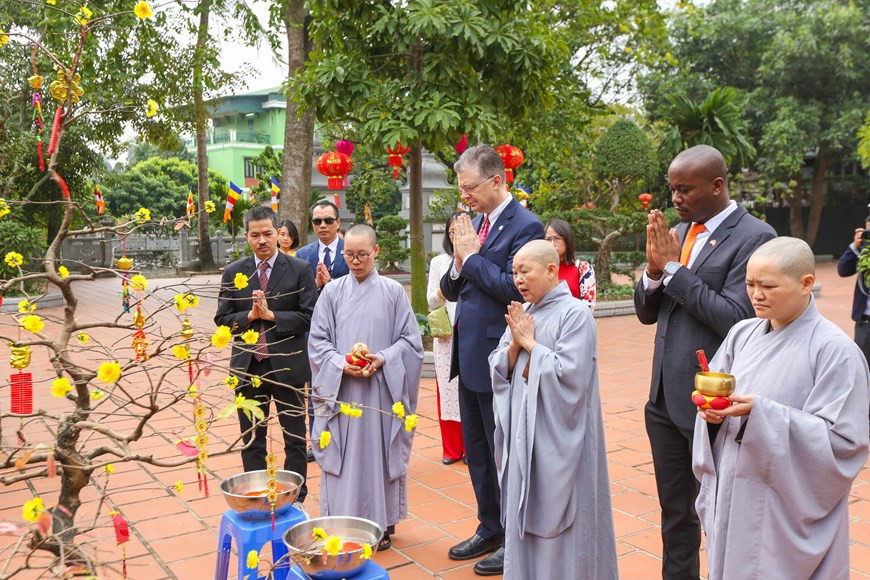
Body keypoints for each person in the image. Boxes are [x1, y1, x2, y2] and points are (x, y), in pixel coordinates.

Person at [634, 144, 776, 579]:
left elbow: (736, 317)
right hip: (663, 397)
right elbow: (646, 312)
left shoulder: (755, 236)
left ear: (717, 185)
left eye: (684, 189)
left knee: (720, 509)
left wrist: (675, 269)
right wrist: (655, 271)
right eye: (672, 189)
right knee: (675, 512)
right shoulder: (680, 231)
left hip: (710, 401)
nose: (675, 198)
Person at [693, 237, 870, 579]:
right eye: (749, 284)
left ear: (807, 283)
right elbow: (718, 395)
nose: (756, 295)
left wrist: (761, 416)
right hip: (733, 485)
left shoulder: (835, 351)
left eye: (768, 286)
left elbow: (844, 446)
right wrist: (713, 416)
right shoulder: (741, 334)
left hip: (784, 506)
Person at [440, 144, 544, 576]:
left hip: (502, 352)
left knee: (505, 449)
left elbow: (514, 287)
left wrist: (471, 257)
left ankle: (515, 534)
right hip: (467, 352)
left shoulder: (526, 225)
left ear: (497, 181)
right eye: (461, 189)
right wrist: (458, 261)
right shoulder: (474, 223)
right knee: (478, 449)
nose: (464, 196)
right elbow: (452, 289)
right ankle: (490, 525)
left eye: (470, 187)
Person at [489, 240, 617, 579]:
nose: (518, 279)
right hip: (523, 432)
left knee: (567, 524)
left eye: (524, 271)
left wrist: (530, 344)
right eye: (514, 272)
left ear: (550, 270)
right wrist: (516, 344)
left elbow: (571, 378)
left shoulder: (576, 314)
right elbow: (501, 367)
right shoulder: (523, 314)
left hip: (560, 437)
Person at [308, 224, 423, 550]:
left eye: (362, 255)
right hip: (342, 390)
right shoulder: (331, 292)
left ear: (376, 251)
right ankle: (343, 520)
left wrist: (383, 358)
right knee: (343, 456)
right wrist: (341, 364)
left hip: (380, 394)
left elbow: (411, 344)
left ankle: (381, 522)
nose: (356, 261)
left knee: (377, 456)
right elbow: (317, 343)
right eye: (349, 255)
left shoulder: (392, 292)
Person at [214, 205, 318, 503]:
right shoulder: (235, 272)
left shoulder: (299, 270)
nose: (262, 240)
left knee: (295, 439)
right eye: (255, 235)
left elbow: (309, 315)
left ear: (278, 233)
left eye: (268, 234)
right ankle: (256, 497)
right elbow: (222, 319)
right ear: (246, 236)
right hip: (249, 368)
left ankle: (295, 496)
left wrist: (273, 316)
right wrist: (249, 316)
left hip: (288, 367)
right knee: (252, 440)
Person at [427, 212, 467, 464]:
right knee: (448, 388)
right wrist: (444, 289)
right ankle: (452, 448)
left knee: (471, 388)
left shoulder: (479, 260)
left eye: (461, 231)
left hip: (471, 331)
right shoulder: (439, 262)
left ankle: (472, 447)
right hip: (446, 335)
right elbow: (430, 300)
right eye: (452, 231)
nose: (456, 236)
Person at [836, 217, 870, 364]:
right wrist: (855, 247)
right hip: (865, 321)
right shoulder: (864, 252)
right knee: (862, 365)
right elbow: (843, 270)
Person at [295, 200, 349, 289]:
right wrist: (315, 285)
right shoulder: (302, 255)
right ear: (312, 224)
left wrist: (330, 282)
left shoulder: (351, 251)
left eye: (328, 220)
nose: (323, 225)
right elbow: (297, 288)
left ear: (338, 223)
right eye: (317, 221)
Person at [544, 218, 596, 311]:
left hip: (574, 322)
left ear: (567, 240)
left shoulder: (583, 268)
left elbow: (588, 306)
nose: (552, 243)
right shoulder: (541, 268)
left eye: (557, 238)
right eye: (548, 239)